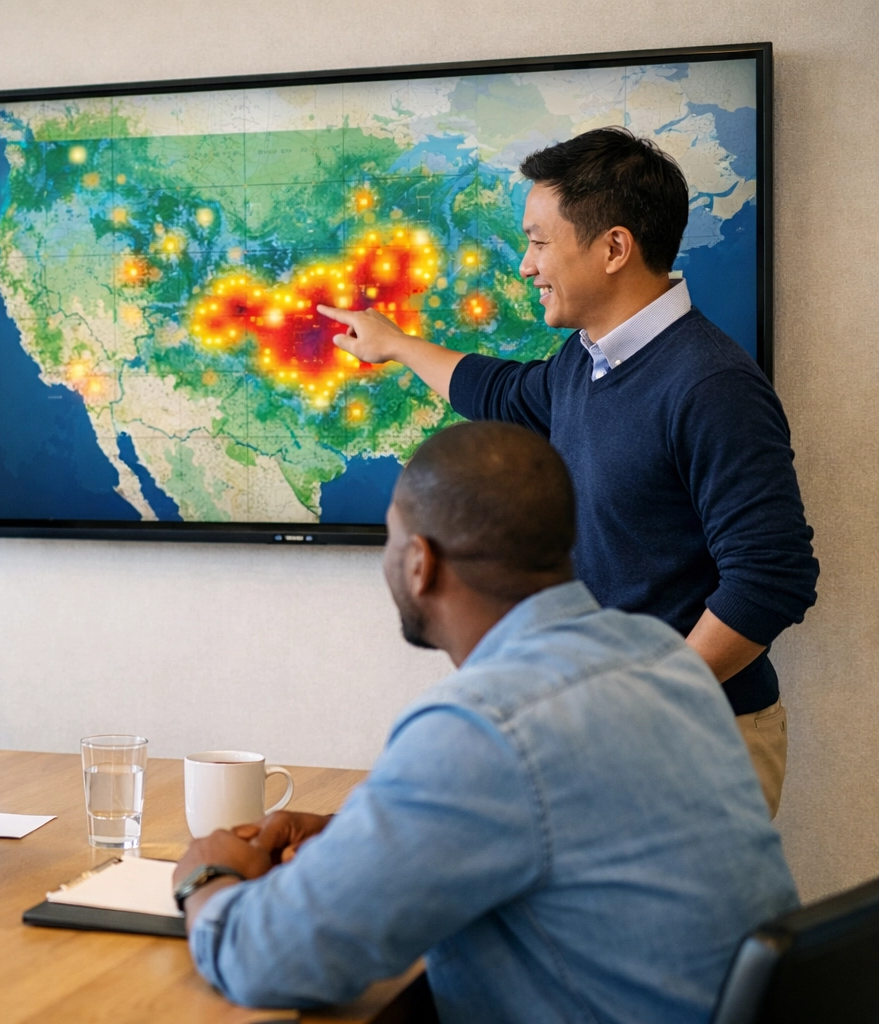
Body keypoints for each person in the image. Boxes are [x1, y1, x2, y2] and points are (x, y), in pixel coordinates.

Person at [173, 421, 799, 1023]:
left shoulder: (485, 726)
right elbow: (570, 825)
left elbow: (267, 959)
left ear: (420, 562)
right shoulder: (661, 657)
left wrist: (205, 873)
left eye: (392, 541)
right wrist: (360, 834)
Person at [319, 127, 816, 816]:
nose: (527, 265)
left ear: (614, 247)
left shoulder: (711, 384)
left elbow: (773, 577)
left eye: (539, 241)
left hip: (695, 733)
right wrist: (396, 345)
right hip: (604, 724)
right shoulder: (585, 361)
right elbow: (500, 393)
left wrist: (646, 698)